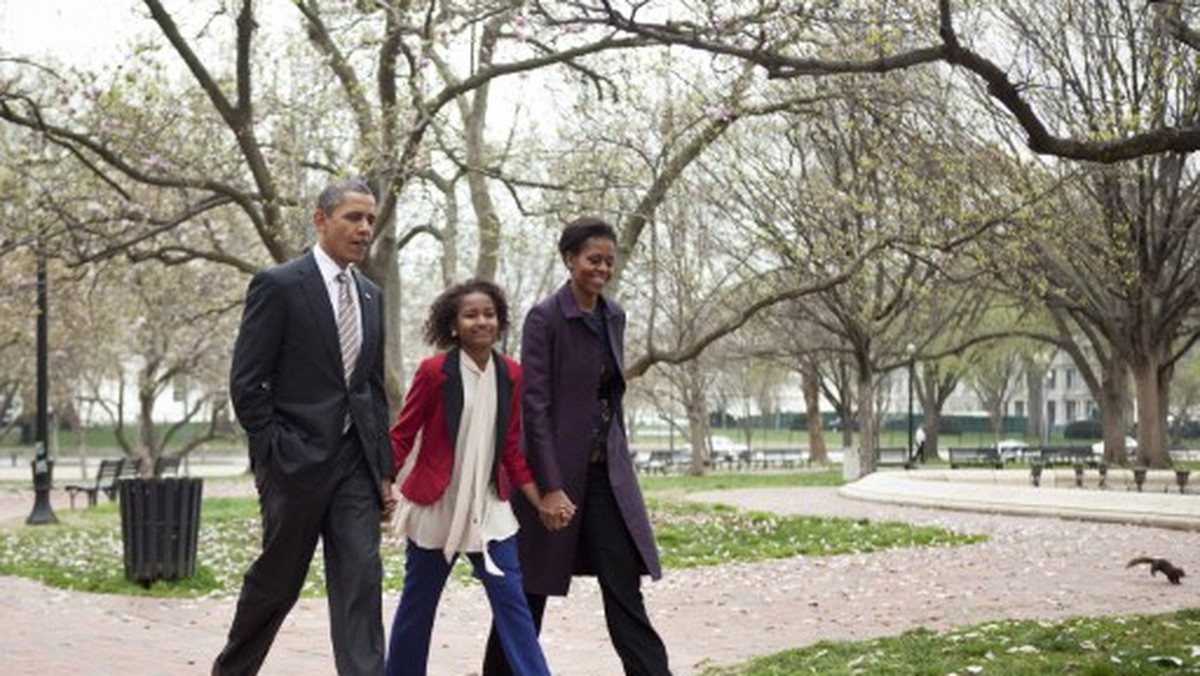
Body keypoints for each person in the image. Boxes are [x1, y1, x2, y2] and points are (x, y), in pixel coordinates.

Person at [213, 178, 397, 676]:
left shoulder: (371, 295)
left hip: (355, 466)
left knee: (362, 578)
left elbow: (370, 389)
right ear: (321, 220)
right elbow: (248, 383)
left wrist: (383, 468)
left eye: (369, 220)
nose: (364, 229)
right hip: (294, 463)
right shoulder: (279, 285)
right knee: (278, 583)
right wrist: (276, 450)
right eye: (353, 218)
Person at [483, 217, 672, 676]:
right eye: (593, 260)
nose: (602, 269)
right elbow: (535, 407)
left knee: (623, 584)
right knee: (530, 590)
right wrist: (549, 486)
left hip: (607, 475)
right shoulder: (545, 318)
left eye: (609, 261)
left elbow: (608, 395)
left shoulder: (614, 316)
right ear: (570, 260)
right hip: (555, 475)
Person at [386, 280, 559, 676]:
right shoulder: (433, 373)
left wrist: (542, 499)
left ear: (499, 321)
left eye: (489, 314)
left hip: (489, 510)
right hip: (436, 506)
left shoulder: (511, 374)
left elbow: (512, 450)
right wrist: (383, 482)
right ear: (453, 326)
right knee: (418, 606)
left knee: (512, 603)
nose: (482, 321)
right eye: (471, 315)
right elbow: (403, 434)